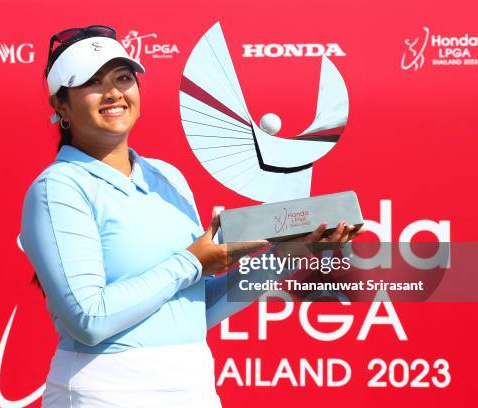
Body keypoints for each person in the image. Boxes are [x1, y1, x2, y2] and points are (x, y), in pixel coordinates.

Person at [20, 25, 362, 408]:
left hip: (192, 388)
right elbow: (88, 319)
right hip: (103, 393)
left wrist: (288, 256)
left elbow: (197, 308)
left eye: (123, 77)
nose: (114, 92)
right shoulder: (59, 188)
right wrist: (192, 262)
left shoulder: (169, 177)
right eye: (92, 82)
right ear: (60, 105)